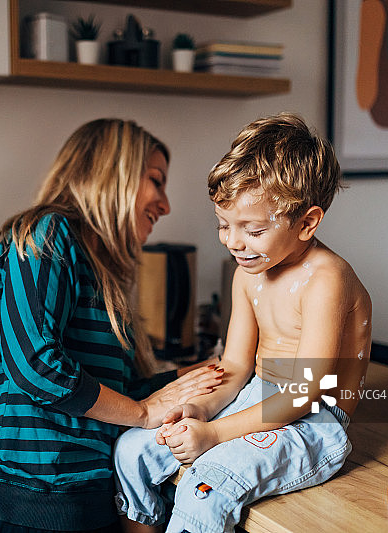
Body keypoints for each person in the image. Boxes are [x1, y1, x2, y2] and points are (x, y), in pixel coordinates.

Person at [114, 113, 372, 533]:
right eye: (224, 225)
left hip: (313, 421)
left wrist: (214, 434)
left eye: (252, 230)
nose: (233, 241)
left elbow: (305, 392)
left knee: (206, 484)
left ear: (307, 222)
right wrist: (200, 409)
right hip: (254, 397)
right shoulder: (248, 274)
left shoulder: (327, 278)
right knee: (132, 450)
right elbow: (235, 366)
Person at [0, 118, 224, 533]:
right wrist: (144, 412)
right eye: (156, 181)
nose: (165, 205)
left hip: (87, 505)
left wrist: (186, 379)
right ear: (112, 172)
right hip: (34, 509)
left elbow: (109, 395)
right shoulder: (46, 232)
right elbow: (36, 366)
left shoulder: (97, 269)